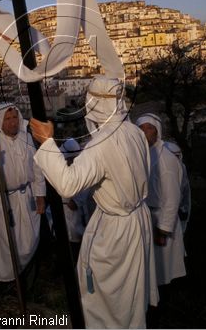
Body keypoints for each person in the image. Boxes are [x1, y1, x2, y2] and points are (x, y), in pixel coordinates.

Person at [30, 75, 159, 329]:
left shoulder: (100, 144)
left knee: (109, 296)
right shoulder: (134, 132)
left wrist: (47, 143)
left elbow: (68, 183)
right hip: (137, 220)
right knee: (129, 292)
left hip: (116, 231)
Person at [0, 103, 46, 287]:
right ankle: (11, 288)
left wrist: (40, 196)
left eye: (14, 118)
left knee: (30, 242)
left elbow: (37, 170)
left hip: (26, 197)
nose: (13, 123)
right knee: (9, 246)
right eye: (8, 119)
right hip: (3, 202)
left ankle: (30, 284)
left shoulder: (27, 138)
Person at [135, 114, 186, 287]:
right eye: (141, 128)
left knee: (163, 273)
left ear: (157, 132)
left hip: (161, 221)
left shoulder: (166, 159)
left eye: (149, 128)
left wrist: (163, 230)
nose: (144, 132)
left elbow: (172, 199)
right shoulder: (145, 154)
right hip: (149, 218)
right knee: (153, 272)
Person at [164, 141, 191, 234]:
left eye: (177, 156)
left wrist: (183, 210)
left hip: (177, 214)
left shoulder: (182, 168)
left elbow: (185, 192)